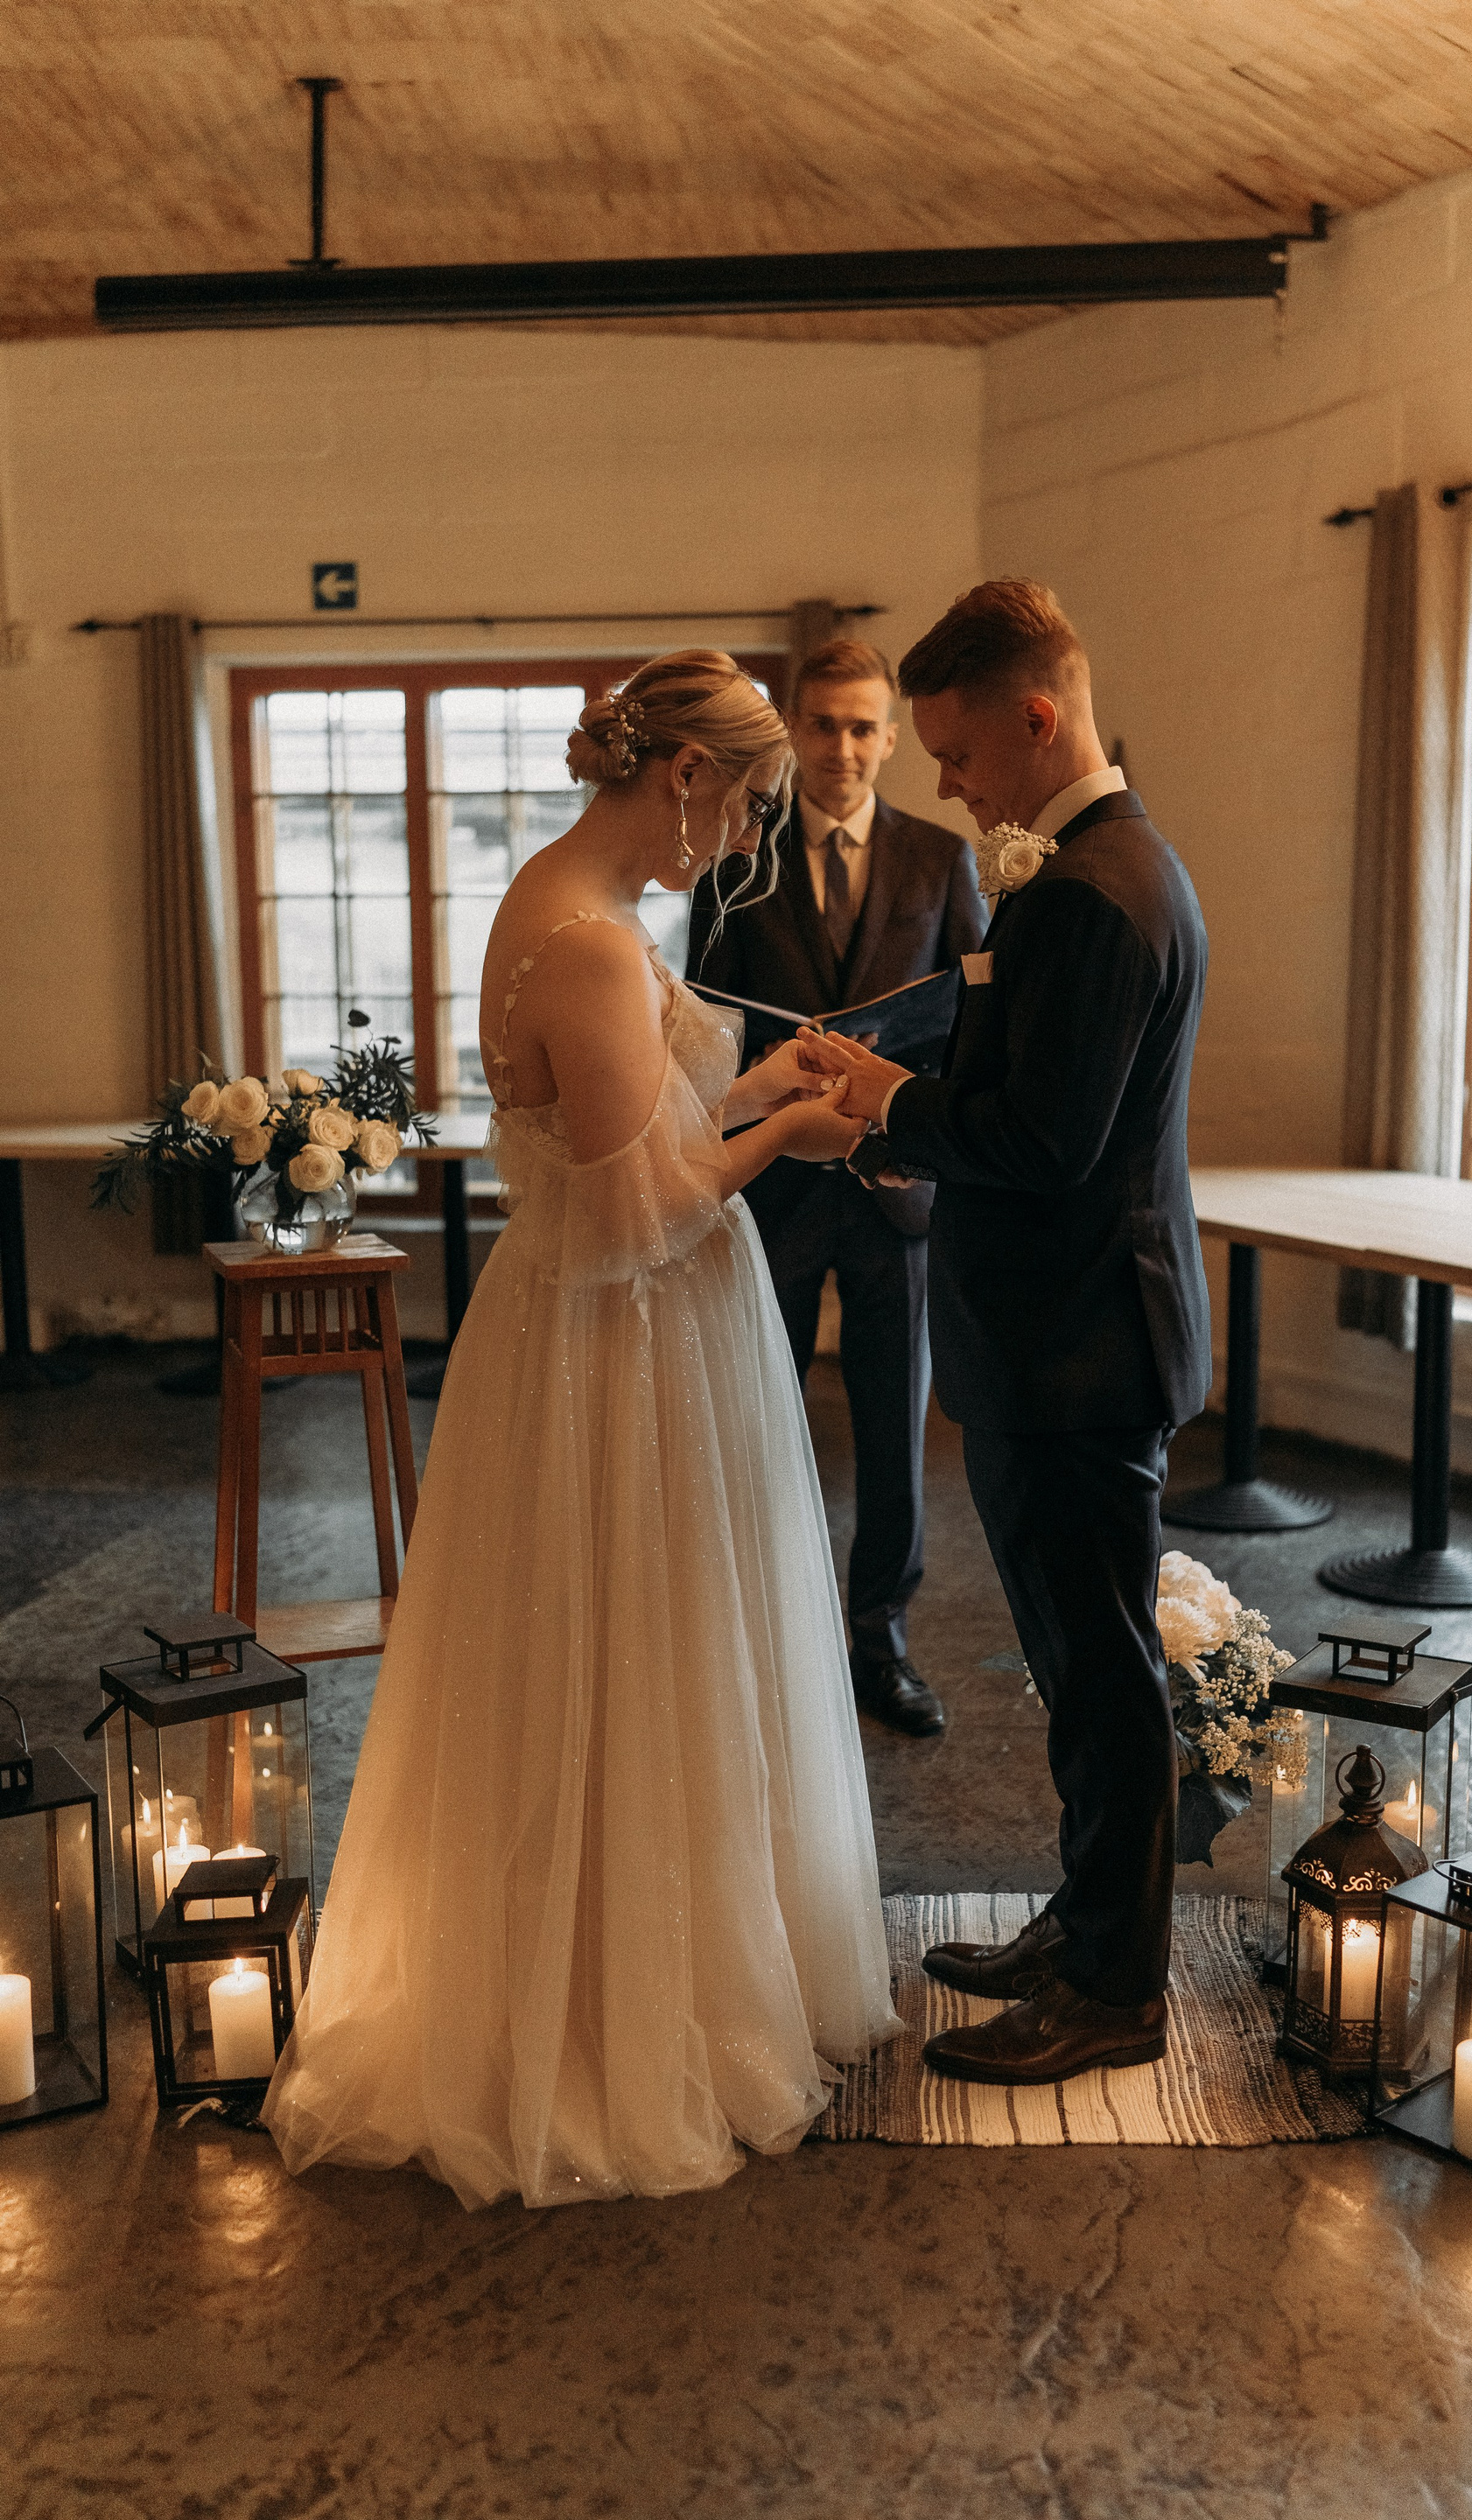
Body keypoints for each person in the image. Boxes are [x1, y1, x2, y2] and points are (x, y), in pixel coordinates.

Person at [263, 653, 901, 2208]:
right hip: (625, 1347)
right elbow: (641, 1214)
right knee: (639, 1644)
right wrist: (798, 1132)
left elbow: (638, 1134)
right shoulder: (591, 945)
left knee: (632, 1649)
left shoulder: (572, 906)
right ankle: (623, 2007)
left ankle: (635, 1956)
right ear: (684, 773)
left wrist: (756, 1082)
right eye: (745, 803)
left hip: (603, 1328)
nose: (744, 837)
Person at [801, 582, 1211, 2087]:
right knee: (1073, 1661)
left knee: (1102, 1679)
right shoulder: (1091, 869)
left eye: (960, 755)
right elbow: (1033, 1100)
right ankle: (1087, 1924)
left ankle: (1115, 1991)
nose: (952, 785)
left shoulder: (1101, 891)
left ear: (1038, 718)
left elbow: (1046, 1141)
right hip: (1055, 1338)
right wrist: (909, 1115)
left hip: (1081, 1348)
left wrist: (888, 1104)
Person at [688, 639, 985, 1740]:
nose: (843, 748)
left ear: (891, 738)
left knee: (894, 1430)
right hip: (771, 1189)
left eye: (864, 728)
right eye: (823, 725)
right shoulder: (734, 861)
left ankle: (879, 1640)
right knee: (757, 1414)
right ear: (794, 729)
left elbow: (976, 1026)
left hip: (896, 1191)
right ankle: (769, 1631)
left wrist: (927, 1129)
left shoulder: (942, 858)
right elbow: (703, 1027)